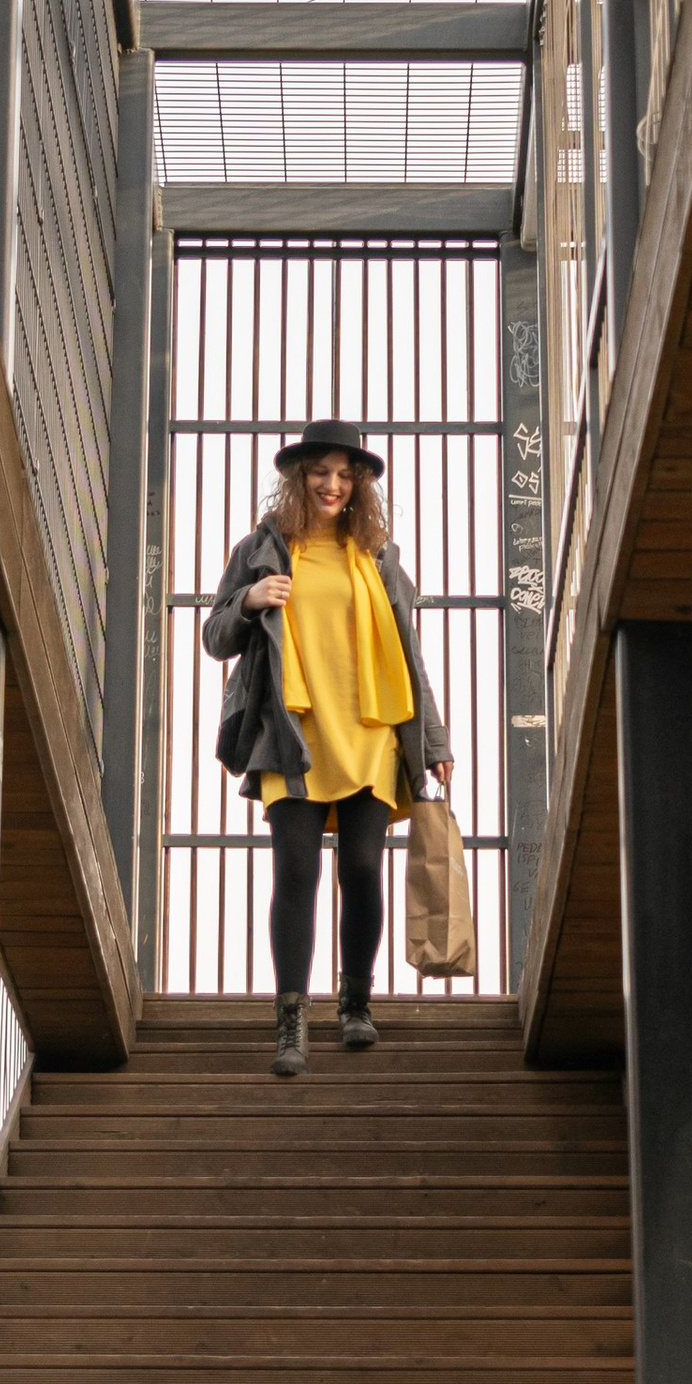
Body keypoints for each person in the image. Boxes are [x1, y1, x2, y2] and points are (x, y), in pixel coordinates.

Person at [205, 423, 453, 1079]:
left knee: (363, 869)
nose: (333, 485)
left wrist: (433, 741)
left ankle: (355, 1002)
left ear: (359, 485)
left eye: (346, 475)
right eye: (321, 472)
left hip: (370, 734)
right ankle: (291, 1022)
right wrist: (249, 599)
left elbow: (410, 655)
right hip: (291, 734)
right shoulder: (263, 549)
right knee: (296, 872)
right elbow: (215, 635)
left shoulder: (378, 556)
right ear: (299, 477)